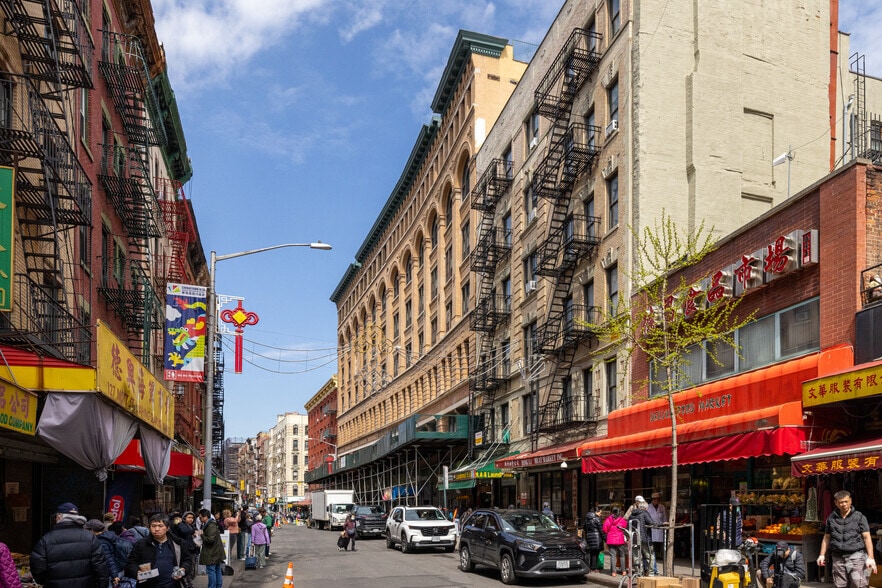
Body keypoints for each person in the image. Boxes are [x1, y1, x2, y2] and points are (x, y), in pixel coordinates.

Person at [30, 502, 110, 588]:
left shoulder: (46, 539)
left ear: (59, 517)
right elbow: (101, 569)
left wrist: (47, 581)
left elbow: (38, 569)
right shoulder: (91, 538)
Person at [817, 490, 877, 588]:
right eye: (841, 502)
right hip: (837, 557)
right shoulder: (831, 518)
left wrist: (871, 558)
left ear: (850, 501)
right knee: (840, 584)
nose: (844, 504)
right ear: (835, 503)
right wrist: (822, 555)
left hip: (856, 556)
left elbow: (867, 537)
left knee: (858, 583)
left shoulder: (859, 517)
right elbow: (826, 538)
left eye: (846, 501)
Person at [125, 514, 194, 588]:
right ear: (149, 527)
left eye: (160, 526)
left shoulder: (178, 543)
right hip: (148, 585)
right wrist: (136, 573)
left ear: (167, 528)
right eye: (153, 526)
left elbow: (187, 560)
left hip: (173, 584)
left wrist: (183, 569)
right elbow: (131, 562)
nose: (157, 529)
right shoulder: (141, 544)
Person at [85, 518, 126, 585]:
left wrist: (114, 575)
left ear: (92, 530)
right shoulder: (108, 536)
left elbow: (109, 559)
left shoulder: (101, 542)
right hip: (118, 569)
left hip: (112, 573)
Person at [169, 512, 198, 588]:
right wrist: (194, 531)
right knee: (186, 568)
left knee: (191, 568)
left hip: (192, 549)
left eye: (192, 518)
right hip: (185, 549)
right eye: (189, 517)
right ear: (184, 517)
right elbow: (184, 531)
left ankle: (188, 583)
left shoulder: (191, 526)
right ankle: (187, 584)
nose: (191, 519)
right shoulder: (181, 525)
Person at [197, 509, 225, 588]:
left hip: (212, 553)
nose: (199, 519)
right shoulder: (210, 524)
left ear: (205, 517)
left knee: (212, 571)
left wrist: (202, 535)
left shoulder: (210, 525)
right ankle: (217, 586)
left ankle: (213, 586)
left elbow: (210, 540)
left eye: (200, 517)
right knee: (216, 570)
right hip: (215, 552)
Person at [628, 496, 655, 576]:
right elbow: (651, 523)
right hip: (644, 538)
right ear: (646, 508)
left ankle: (638, 572)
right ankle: (650, 573)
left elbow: (628, 525)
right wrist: (661, 524)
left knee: (636, 556)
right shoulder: (644, 513)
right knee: (649, 555)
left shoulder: (632, 514)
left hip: (634, 538)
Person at [603, 506, 628, 576]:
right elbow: (625, 527)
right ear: (619, 512)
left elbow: (604, 529)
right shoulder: (622, 520)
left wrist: (609, 532)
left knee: (612, 556)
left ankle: (613, 572)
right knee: (622, 555)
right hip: (620, 540)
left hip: (610, 540)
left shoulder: (608, 519)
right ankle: (624, 571)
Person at [648, 492, 667, 574]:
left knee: (663, 549)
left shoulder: (662, 507)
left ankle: (665, 565)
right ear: (653, 499)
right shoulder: (648, 507)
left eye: (658, 499)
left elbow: (664, 518)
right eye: (656, 499)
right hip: (652, 530)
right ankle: (654, 567)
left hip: (660, 530)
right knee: (653, 550)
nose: (657, 501)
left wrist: (665, 526)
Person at [582, 505, 604, 573]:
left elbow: (584, 528)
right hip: (597, 538)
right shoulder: (597, 519)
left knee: (591, 553)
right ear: (596, 512)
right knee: (595, 553)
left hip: (589, 537)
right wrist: (605, 538)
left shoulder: (587, 519)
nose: (600, 514)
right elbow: (601, 530)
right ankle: (593, 568)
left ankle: (591, 567)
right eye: (600, 513)